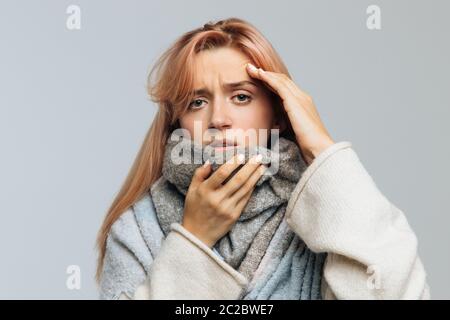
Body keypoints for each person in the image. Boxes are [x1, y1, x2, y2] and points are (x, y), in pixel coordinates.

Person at [95, 17, 430, 300]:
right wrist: (193, 240)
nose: (218, 119)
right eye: (196, 102)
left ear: (279, 112)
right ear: (176, 123)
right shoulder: (137, 230)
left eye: (241, 96)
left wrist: (323, 150)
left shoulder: (324, 212)